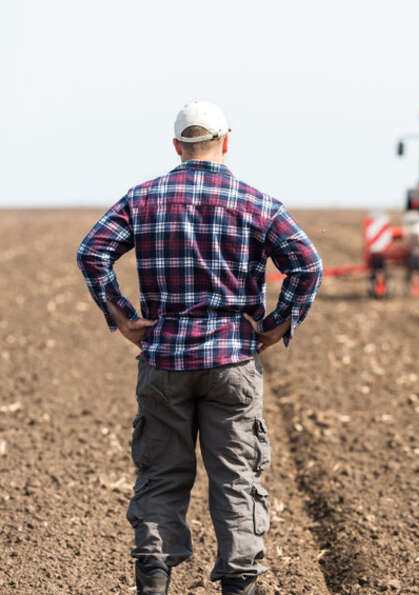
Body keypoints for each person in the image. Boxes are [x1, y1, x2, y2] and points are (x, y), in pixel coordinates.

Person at [76, 100, 323, 595]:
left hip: (164, 361)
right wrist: (276, 325)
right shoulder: (256, 201)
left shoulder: (144, 198)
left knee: (161, 475)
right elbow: (307, 265)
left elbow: (92, 252)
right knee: (236, 478)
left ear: (177, 147)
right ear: (226, 142)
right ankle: (240, 584)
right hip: (232, 360)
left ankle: (153, 582)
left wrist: (122, 316)